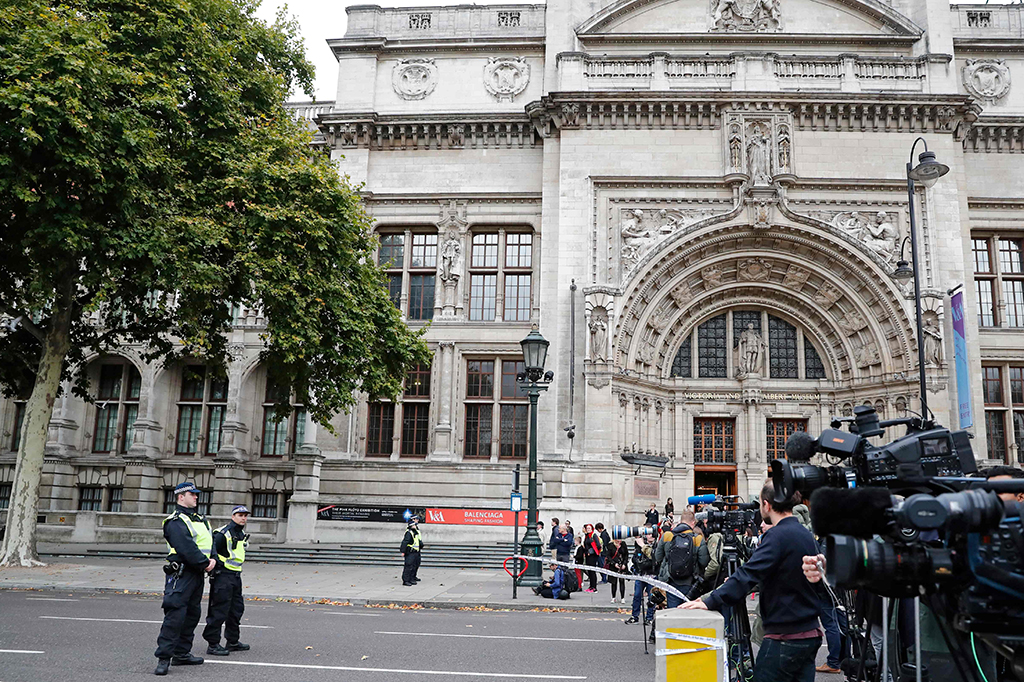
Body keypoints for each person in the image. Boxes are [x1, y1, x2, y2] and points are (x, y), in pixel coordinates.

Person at [685, 481, 823, 682]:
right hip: (809, 633)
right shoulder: (805, 534)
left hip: (784, 636)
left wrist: (708, 601)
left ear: (767, 505)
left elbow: (747, 574)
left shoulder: (776, 535)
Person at [154, 482, 216, 676]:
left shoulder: (201, 520)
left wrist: (213, 559)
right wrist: (205, 563)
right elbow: (185, 547)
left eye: (196, 494)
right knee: (175, 615)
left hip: (196, 574)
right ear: (181, 496)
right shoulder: (175, 521)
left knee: (191, 615)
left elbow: (210, 541)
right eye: (192, 494)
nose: (196, 497)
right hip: (181, 573)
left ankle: (182, 653)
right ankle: (164, 658)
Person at [203, 505, 251, 656]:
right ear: (233, 516)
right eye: (240, 515)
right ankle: (213, 644)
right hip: (223, 576)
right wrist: (217, 567)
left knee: (236, 610)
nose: (243, 518)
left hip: (235, 576)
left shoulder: (240, 533)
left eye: (245, 515)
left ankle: (232, 641)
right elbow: (212, 552)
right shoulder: (223, 533)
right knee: (219, 611)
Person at [624, 533, 656, 626]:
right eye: (648, 534)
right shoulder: (639, 546)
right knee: (637, 596)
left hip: (652, 576)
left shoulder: (656, 545)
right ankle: (635, 616)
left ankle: (649, 618)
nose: (650, 536)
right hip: (641, 575)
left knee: (652, 597)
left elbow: (654, 559)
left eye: (651, 534)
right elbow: (635, 559)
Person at [400, 516, 423, 586]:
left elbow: (418, 540)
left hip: (416, 551)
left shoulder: (415, 531)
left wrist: (421, 545)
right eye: (414, 525)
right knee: (409, 566)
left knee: (415, 565)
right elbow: (405, 542)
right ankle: (406, 580)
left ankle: (411, 578)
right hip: (410, 551)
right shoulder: (409, 532)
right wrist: (403, 551)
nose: (415, 526)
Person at [607, 537, 630, 604]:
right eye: (618, 539)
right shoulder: (611, 545)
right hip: (614, 565)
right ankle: (613, 597)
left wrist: (624, 564)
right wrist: (614, 563)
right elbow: (608, 556)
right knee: (613, 582)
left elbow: (626, 555)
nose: (620, 541)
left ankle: (622, 597)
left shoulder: (623, 544)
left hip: (622, 564)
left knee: (622, 582)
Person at [582, 524, 602, 592]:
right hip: (588, 556)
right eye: (587, 528)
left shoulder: (594, 535)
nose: (588, 529)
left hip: (592, 556)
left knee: (592, 571)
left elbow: (598, 545)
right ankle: (591, 586)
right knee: (590, 571)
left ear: (592, 529)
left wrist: (591, 552)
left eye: (589, 528)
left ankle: (594, 587)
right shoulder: (587, 536)